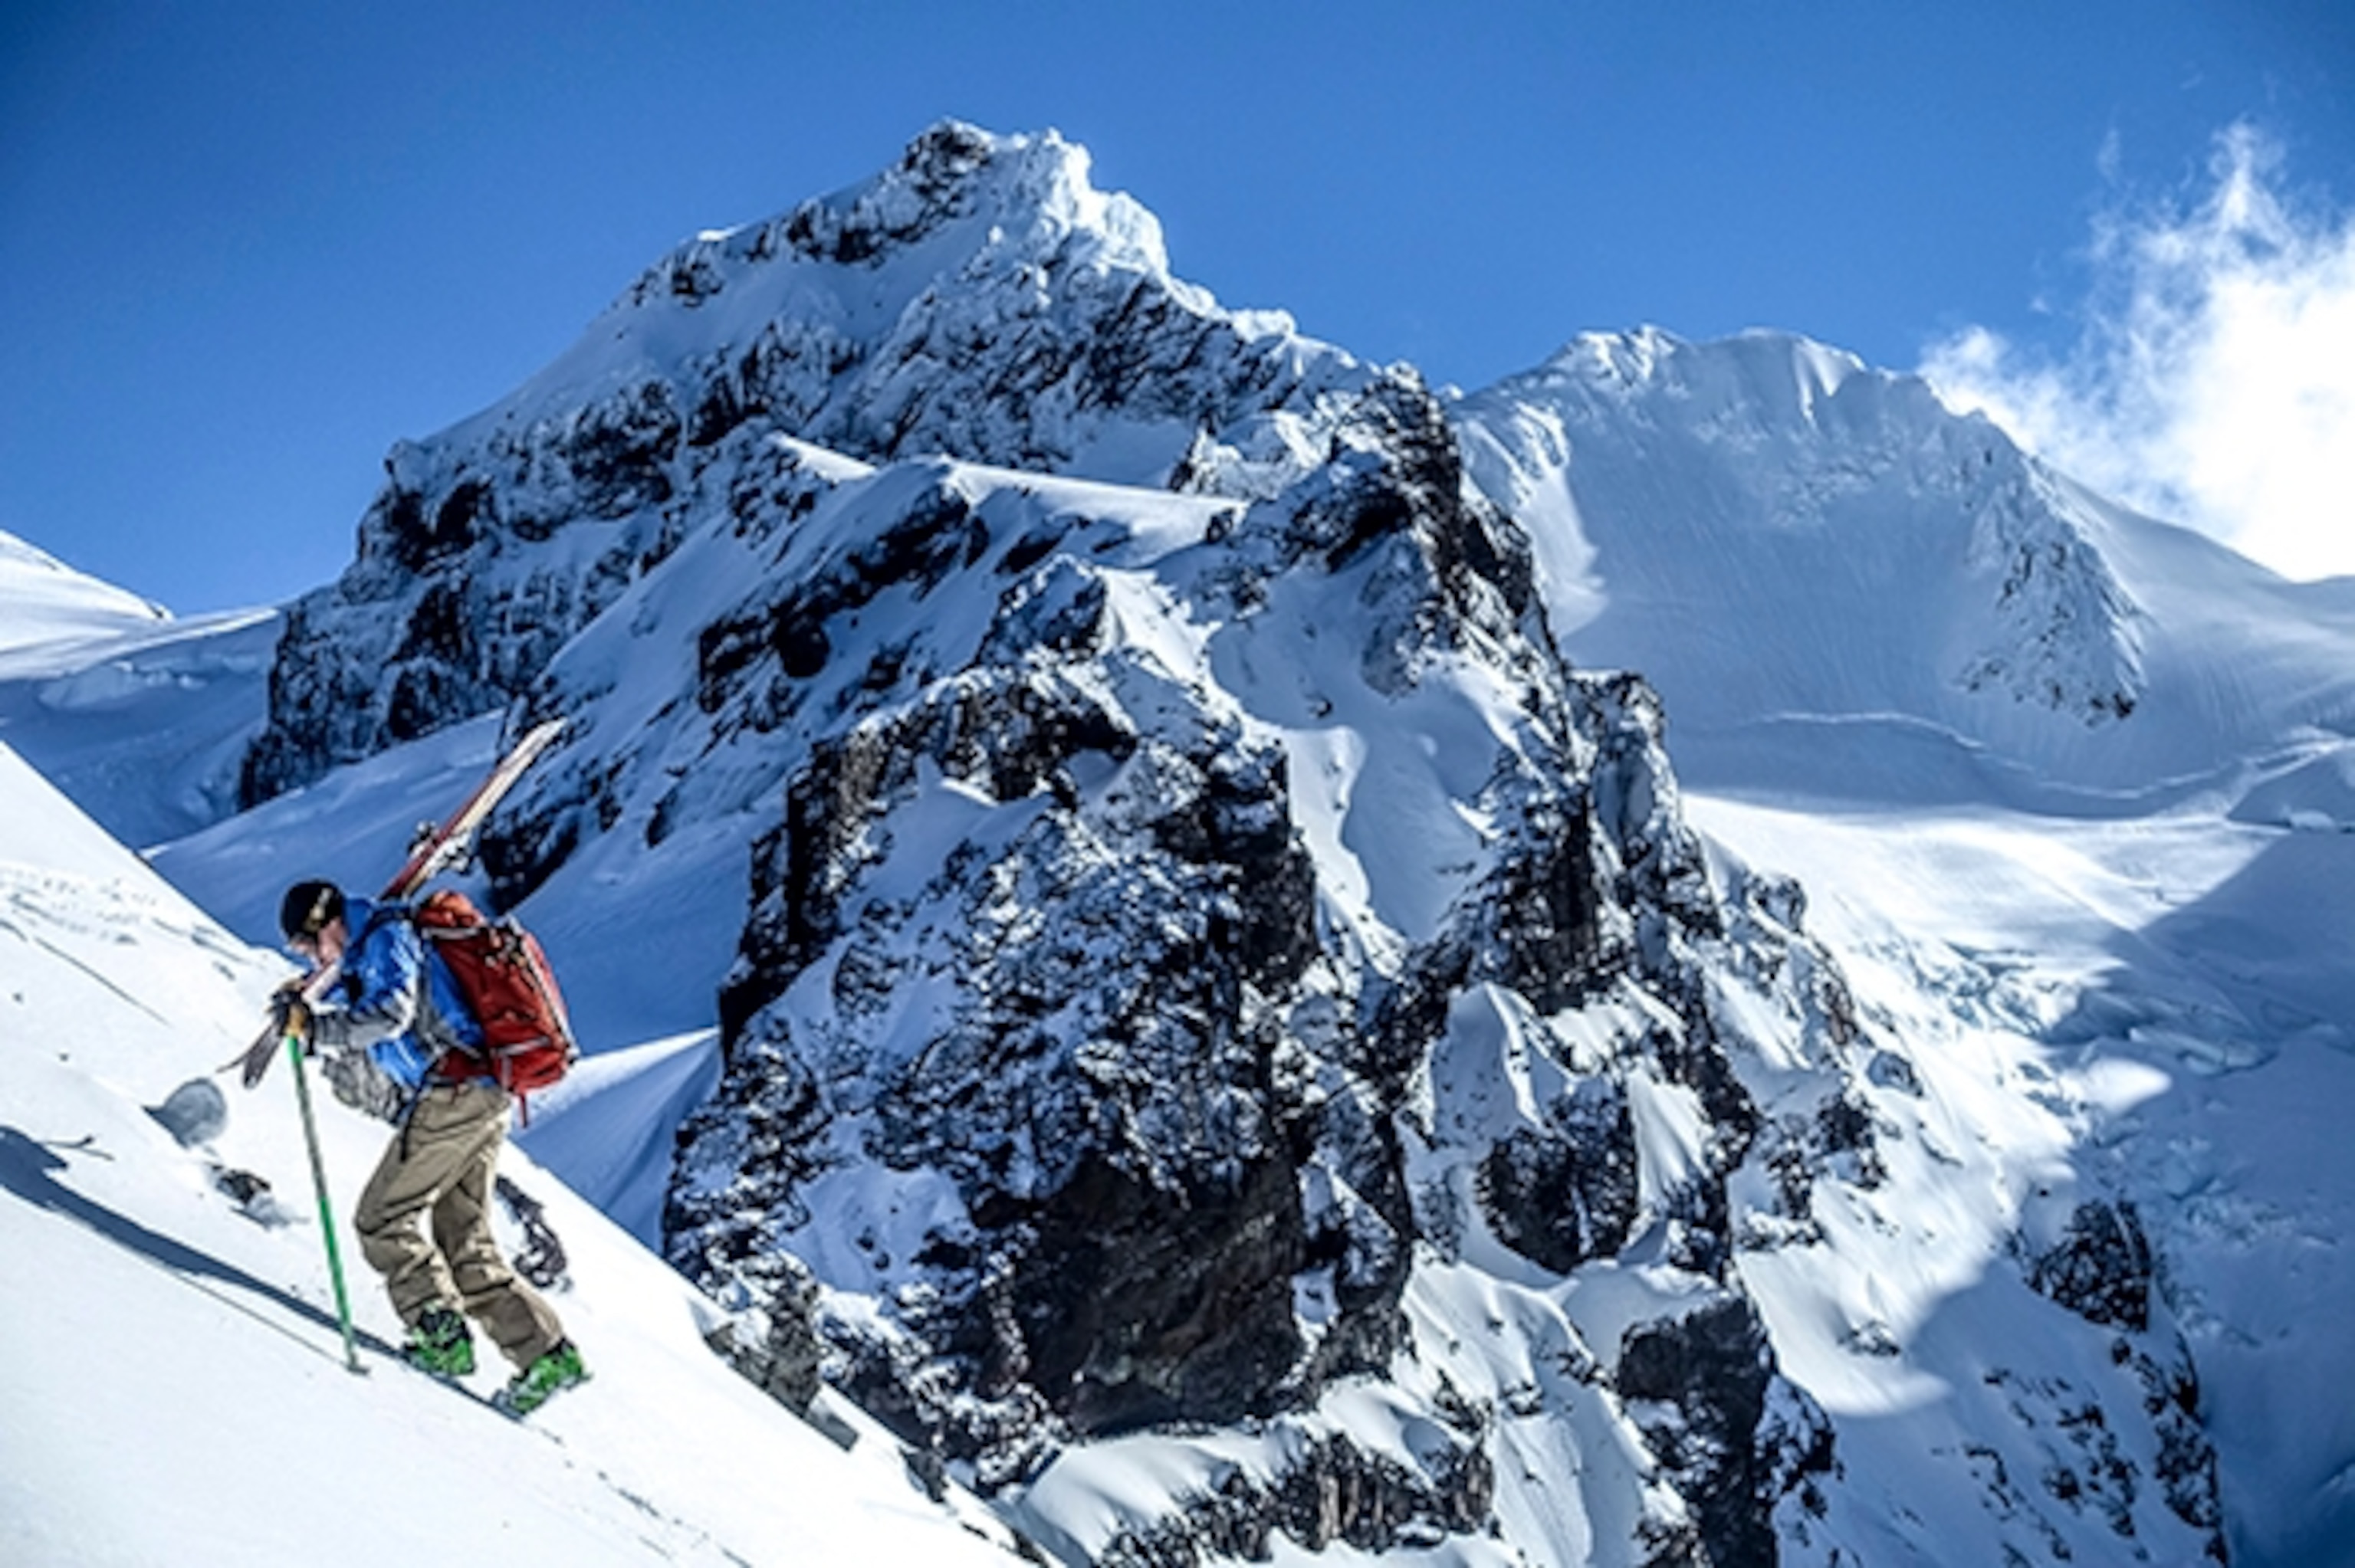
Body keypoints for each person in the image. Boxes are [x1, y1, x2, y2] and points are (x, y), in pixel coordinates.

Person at [276, 877, 588, 1414]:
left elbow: (390, 1013)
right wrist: (308, 1000)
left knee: (381, 1218)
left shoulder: (385, 937)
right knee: (461, 1234)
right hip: (482, 1091)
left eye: (307, 945)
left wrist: (317, 1033)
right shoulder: (375, 939)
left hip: (455, 1091)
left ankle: (440, 1334)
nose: (311, 956)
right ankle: (545, 1354)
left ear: (326, 924)